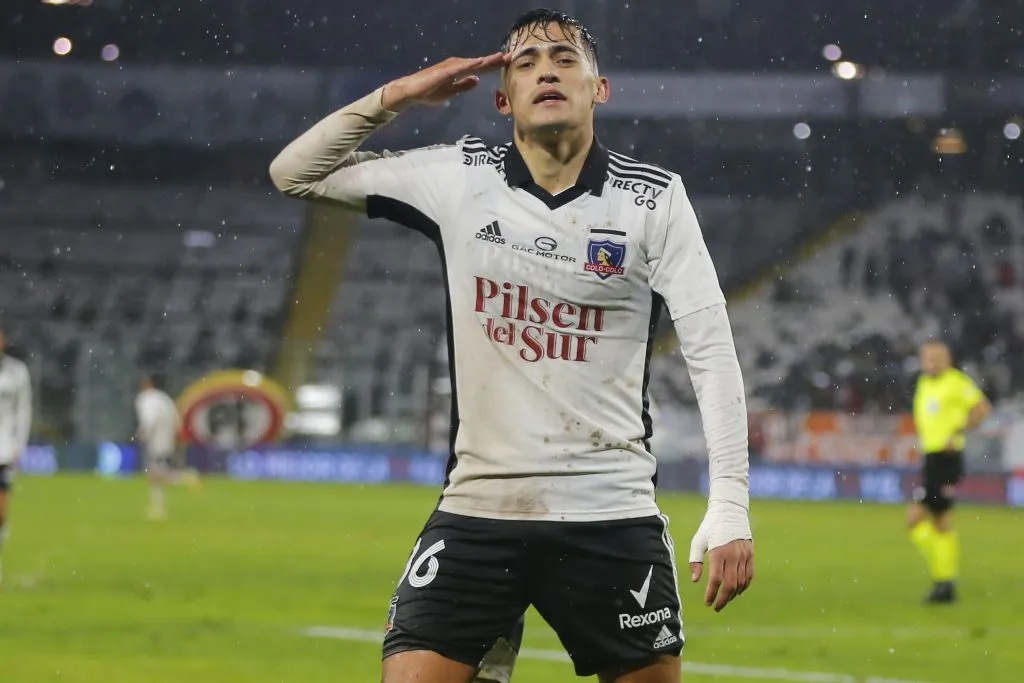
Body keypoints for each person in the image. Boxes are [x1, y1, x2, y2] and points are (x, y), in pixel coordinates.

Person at [270, 9, 754, 682]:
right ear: (502, 98)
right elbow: (294, 172)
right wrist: (399, 96)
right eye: (524, 62)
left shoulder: (652, 201)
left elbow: (711, 347)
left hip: (608, 512)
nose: (546, 69)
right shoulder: (459, 177)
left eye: (564, 57)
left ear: (599, 88)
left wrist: (729, 503)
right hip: (479, 510)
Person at [908, 340, 990, 604]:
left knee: (920, 519)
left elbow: (982, 407)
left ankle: (944, 580)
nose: (931, 362)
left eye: (937, 357)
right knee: (938, 521)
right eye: (927, 357)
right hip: (931, 458)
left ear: (948, 359)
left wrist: (957, 432)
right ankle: (944, 583)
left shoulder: (956, 381)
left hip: (947, 458)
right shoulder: (924, 383)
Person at [135, 374, 197, 520]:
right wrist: (175, 436)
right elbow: (176, 418)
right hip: (167, 439)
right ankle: (158, 508)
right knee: (156, 473)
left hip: (156, 440)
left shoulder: (146, 398)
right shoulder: (164, 398)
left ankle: (185, 479)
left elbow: (150, 418)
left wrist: (144, 433)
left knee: (155, 474)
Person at [0, 327, 32, 585]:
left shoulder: (17, 371)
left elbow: (24, 409)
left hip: (4, 448)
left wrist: (19, 444)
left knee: (1, 512)